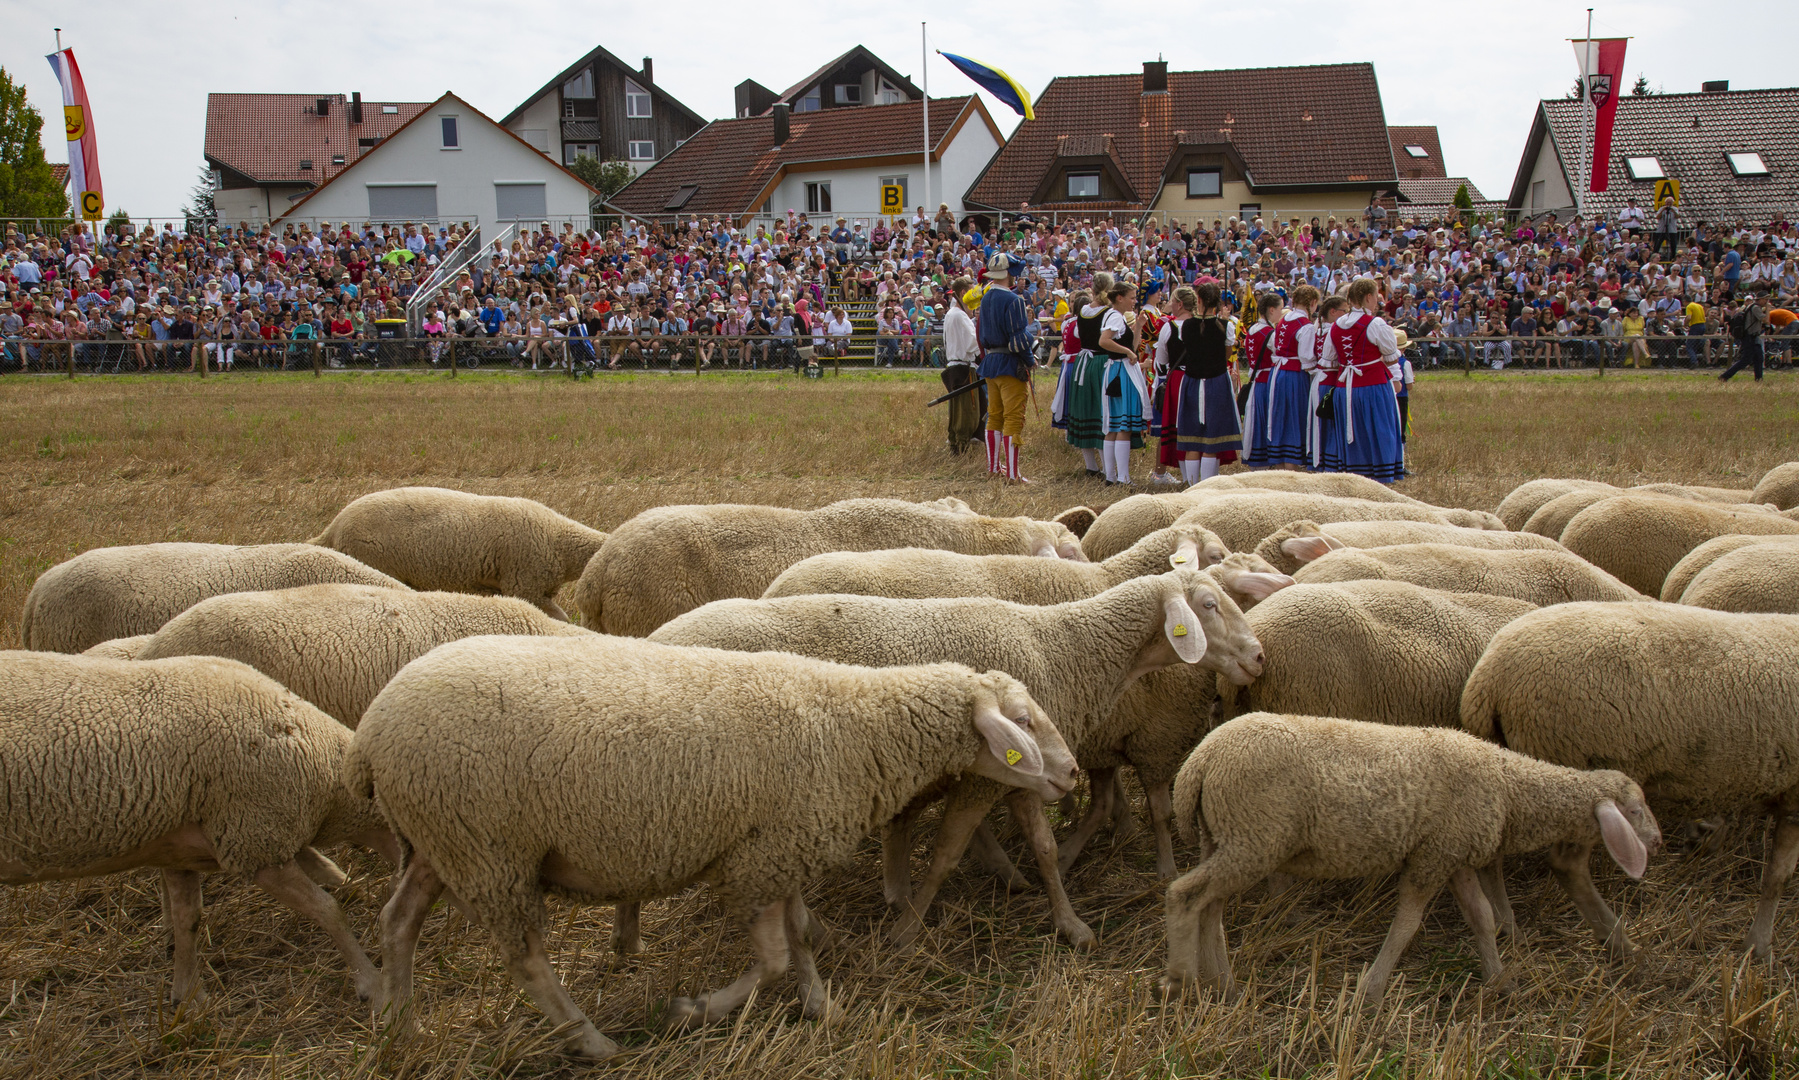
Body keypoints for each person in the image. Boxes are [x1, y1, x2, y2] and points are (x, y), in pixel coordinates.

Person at [1317, 279, 1406, 483]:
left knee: (1353, 430)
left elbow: (1329, 360)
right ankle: (1379, 474)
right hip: (1372, 386)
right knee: (1378, 430)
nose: (1377, 301)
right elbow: (1392, 356)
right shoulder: (1376, 324)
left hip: (1344, 389)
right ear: (1368, 297)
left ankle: (1353, 473)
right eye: (1376, 297)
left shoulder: (1337, 324)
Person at [1166, 282, 1242, 484]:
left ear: (1198, 301)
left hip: (1191, 382)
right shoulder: (1226, 326)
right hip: (1216, 383)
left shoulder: (1187, 325)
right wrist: (1223, 322)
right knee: (1211, 441)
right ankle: (1208, 486)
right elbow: (1226, 354)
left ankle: (1193, 486)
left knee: (1192, 438)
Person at [974, 253, 1035, 483]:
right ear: (1010, 274)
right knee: (1012, 418)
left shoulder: (986, 297)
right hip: (1010, 364)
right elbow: (1018, 339)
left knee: (995, 417)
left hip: (991, 363)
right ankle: (1012, 474)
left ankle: (993, 469)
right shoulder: (1014, 300)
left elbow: (981, 334)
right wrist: (1029, 360)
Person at [1248, 284, 1318, 470]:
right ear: (1312, 303)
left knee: (1281, 417)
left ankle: (1280, 463)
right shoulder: (1306, 326)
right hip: (1294, 376)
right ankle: (1291, 465)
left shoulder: (1285, 320)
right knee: (1294, 418)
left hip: (1278, 374)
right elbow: (1306, 358)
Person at [1052, 273, 1113, 478]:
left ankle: (1091, 465)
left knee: (1085, 412)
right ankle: (1106, 468)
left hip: (1080, 365)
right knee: (1101, 415)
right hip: (1100, 363)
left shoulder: (1082, 314)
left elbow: (1078, 335)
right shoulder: (1108, 313)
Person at [1097, 280, 1150, 486]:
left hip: (1117, 371)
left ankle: (1111, 476)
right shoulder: (1115, 317)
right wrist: (1127, 352)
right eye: (1132, 297)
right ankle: (1122, 477)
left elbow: (1133, 347)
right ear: (1120, 298)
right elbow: (1104, 341)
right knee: (1123, 425)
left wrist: (1138, 327)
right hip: (1121, 372)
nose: (1134, 302)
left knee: (1114, 426)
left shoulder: (1116, 317)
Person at [1240, 291, 1287, 469]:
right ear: (1272, 310)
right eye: (1280, 309)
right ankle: (1269, 459)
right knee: (1268, 421)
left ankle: (1258, 459)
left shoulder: (1252, 329)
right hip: (1268, 381)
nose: (1282, 313)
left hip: (1257, 381)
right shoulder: (1271, 333)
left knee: (1257, 421)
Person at [940, 280, 981, 454]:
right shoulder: (960, 315)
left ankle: (956, 442)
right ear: (963, 292)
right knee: (966, 410)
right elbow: (973, 344)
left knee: (958, 409)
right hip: (963, 367)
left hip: (954, 365)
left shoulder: (951, 314)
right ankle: (961, 444)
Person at [1720, 293, 1768, 382]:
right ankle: (1725, 376)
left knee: (1759, 358)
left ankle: (1759, 378)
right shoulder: (1756, 307)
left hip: (1754, 337)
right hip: (1749, 337)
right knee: (1745, 360)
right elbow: (1765, 320)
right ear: (1760, 299)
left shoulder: (1752, 306)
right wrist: (1768, 309)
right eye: (1765, 299)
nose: (1766, 302)